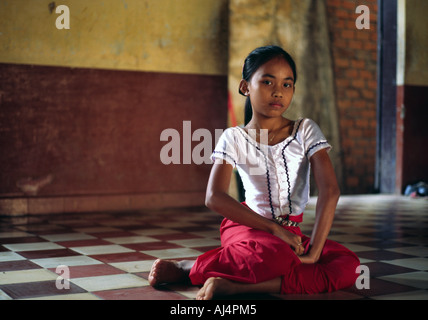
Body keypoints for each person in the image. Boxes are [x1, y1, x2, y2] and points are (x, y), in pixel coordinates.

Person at [149, 45, 360, 300]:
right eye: (268, 81)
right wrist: (273, 229)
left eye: (287, 84)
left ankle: (232, 286)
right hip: (247, 227)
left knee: (349, 266)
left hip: (289, 236)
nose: (278, 92)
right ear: (245, 87)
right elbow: (214, 197)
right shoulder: (234, 137)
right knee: (278, 255)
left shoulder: (305, 130)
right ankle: (187, 268)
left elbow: (331, 190)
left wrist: (314, 252)